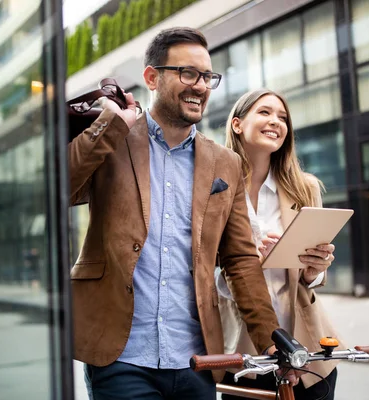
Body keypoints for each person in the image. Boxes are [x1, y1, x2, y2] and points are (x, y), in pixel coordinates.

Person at [68, 28, 281, 400]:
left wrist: (271, 340)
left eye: (207, 77)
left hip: (196, 360)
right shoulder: (114, 139)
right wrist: (112, 123)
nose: (200, 86)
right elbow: (60, 188)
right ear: (152, 77)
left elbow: (242, 260)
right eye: (188, 73)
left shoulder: (225, 163)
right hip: (121, 359)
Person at [217, 89, 342, 400]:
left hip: (306, 347)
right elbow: (201, 270)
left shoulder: (305, 188)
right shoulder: (214, 189)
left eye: (283, 117)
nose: (276, 121)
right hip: (243, 350)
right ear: (237, 124)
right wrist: (246, 260)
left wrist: (316, 268)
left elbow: (312, 279)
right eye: (265, 112)